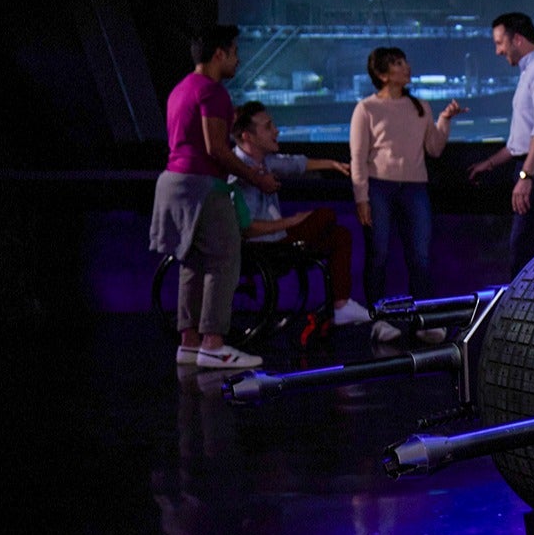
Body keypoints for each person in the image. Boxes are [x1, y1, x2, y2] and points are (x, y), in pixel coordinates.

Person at [148, 25, 279, 369]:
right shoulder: (213, 91)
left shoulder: (180, 89)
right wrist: (256, 178)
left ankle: (189, 343)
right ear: (219, 54)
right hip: (202, 186)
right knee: (224, 259)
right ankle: (213, 344)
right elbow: (216, 148)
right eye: (234, 53)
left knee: (192, 262)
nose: (238, 60)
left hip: (173, 183)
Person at [350, 46, 465, 341]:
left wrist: (445, 119)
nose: (406, 67)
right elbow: (358, 157)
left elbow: (434, 149)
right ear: (382, 74)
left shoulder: (419, 106)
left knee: (420, 256)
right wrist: (361, 197)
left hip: (414, 187)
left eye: (404, 62)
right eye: (398, 64)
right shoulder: (366, 108)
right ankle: (379, 321)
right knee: (378, 255)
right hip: (379, 186)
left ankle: (423, 321)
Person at [229, 102, 367, 330]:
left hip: (276, 240)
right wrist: (293, 221)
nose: (276, 131)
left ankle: (341, 305)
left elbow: (295, 164)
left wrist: (332, 164)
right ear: (248, 136)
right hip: (260, 247)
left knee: (340, 235)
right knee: (325, 215)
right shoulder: (238, 171)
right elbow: (247, 229)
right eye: (268, 127)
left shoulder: (265, 162)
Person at [467, 12, 534, 274]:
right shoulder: (530, 72)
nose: (497, 51)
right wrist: (490, 164)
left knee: (527, 251)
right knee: (524, 250)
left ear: (517, 39)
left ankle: (527, 302)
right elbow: (521, 140)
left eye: (499, 43)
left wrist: (526, 177)